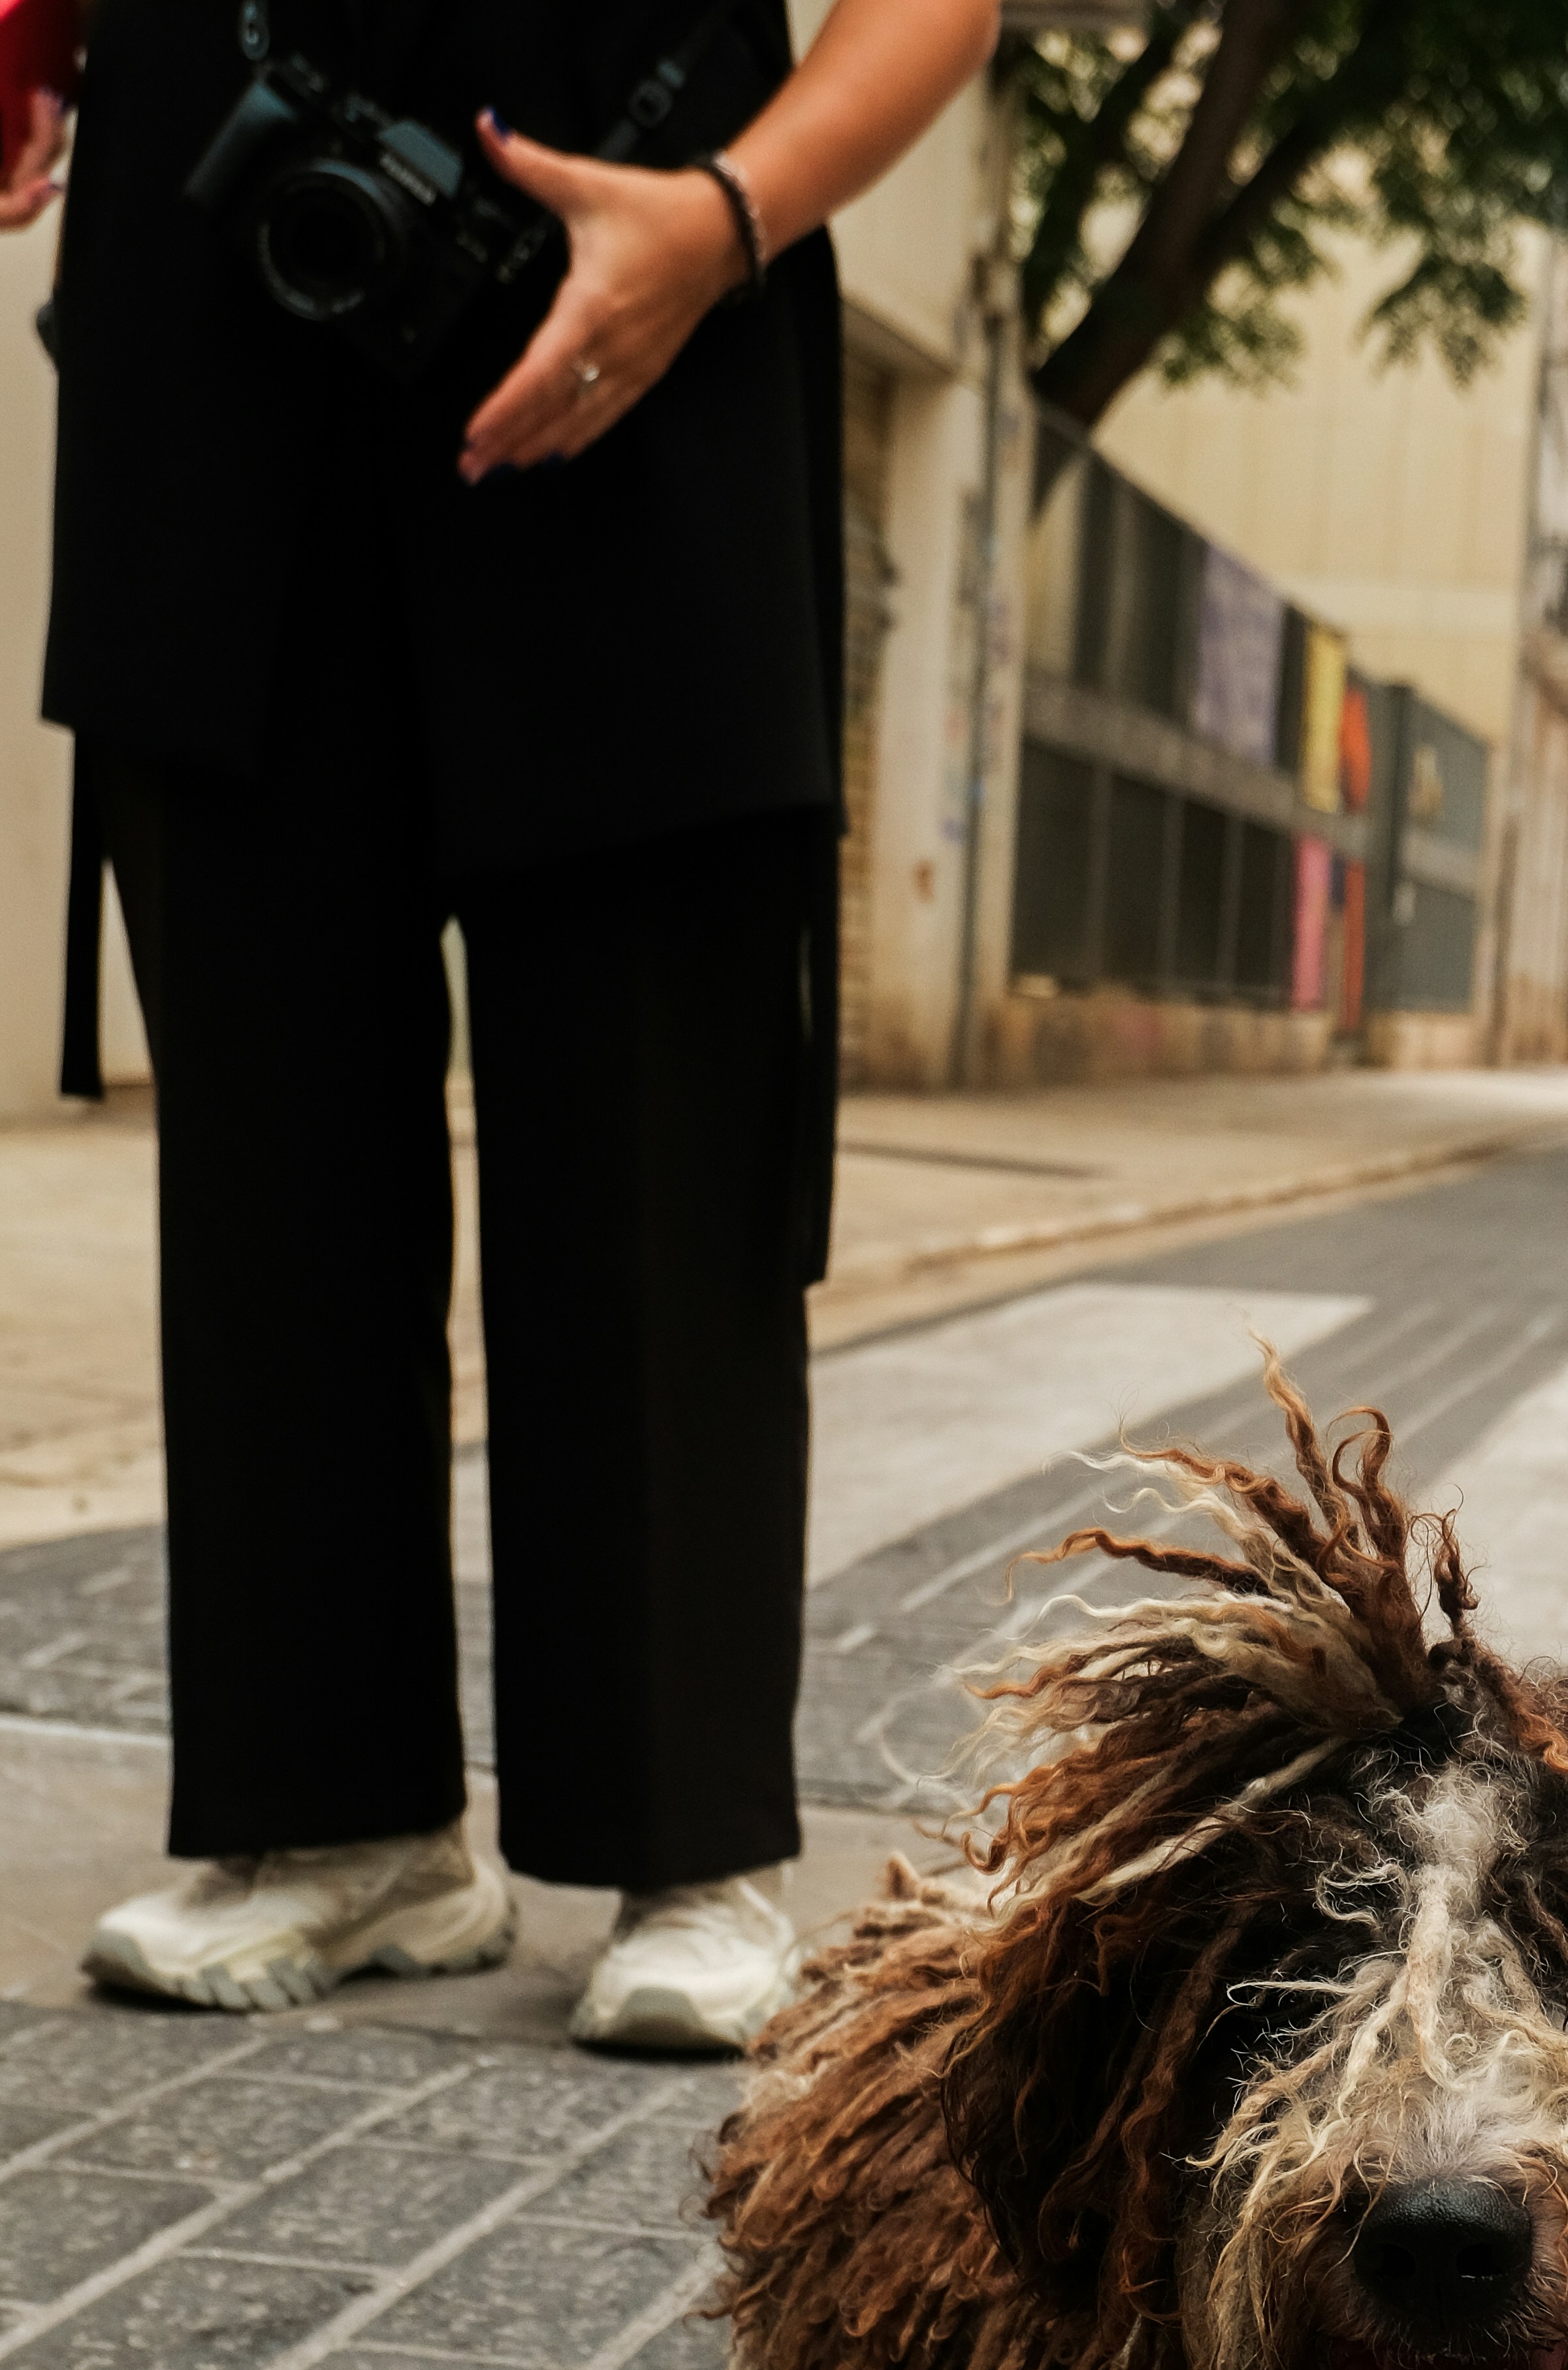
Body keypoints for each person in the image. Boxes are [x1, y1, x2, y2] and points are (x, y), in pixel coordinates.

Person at [2, 0, 993, 2047]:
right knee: (263, 1084)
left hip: (633, 243)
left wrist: (734, 216)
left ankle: (685, 1839)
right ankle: (329, 1819)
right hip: (220, 221)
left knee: (654, 1083)